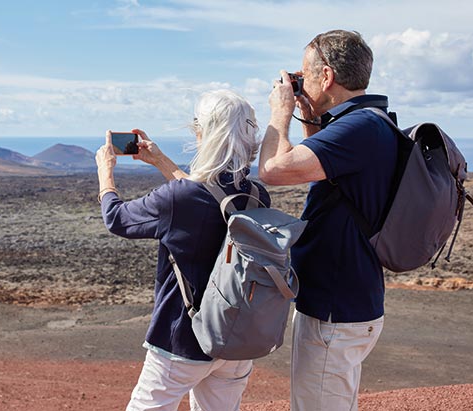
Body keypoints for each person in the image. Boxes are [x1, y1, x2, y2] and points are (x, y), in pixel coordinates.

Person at [96, 89, 271, 411]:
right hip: (234, 340)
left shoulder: (179, 198)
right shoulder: (256, 195)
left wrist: (105, 172)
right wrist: (161, 162)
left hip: (182, 342)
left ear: (203, 132)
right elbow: (211, 199)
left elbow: (116, 219)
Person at [259, 30, 395, 410]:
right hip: (347, 301)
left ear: (327, 77)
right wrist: (308, 112)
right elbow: (318, 168)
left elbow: (273, 170)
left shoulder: (358, 129)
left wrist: (280, 110)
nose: (298, 80)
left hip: (335, 311)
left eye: (305, 73)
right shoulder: (367, 123)